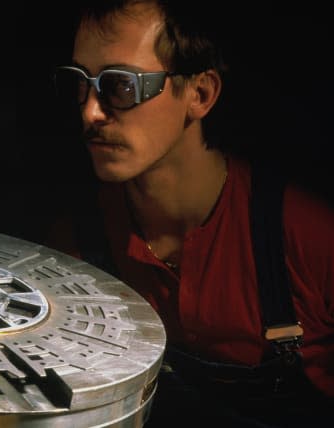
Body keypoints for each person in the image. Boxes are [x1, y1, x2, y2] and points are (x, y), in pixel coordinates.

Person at [48, 1, 333, 426]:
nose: (90, 110)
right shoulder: (78, 245)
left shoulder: (308, 236)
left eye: (121, 85)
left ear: (199, 94)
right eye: (80, 83)